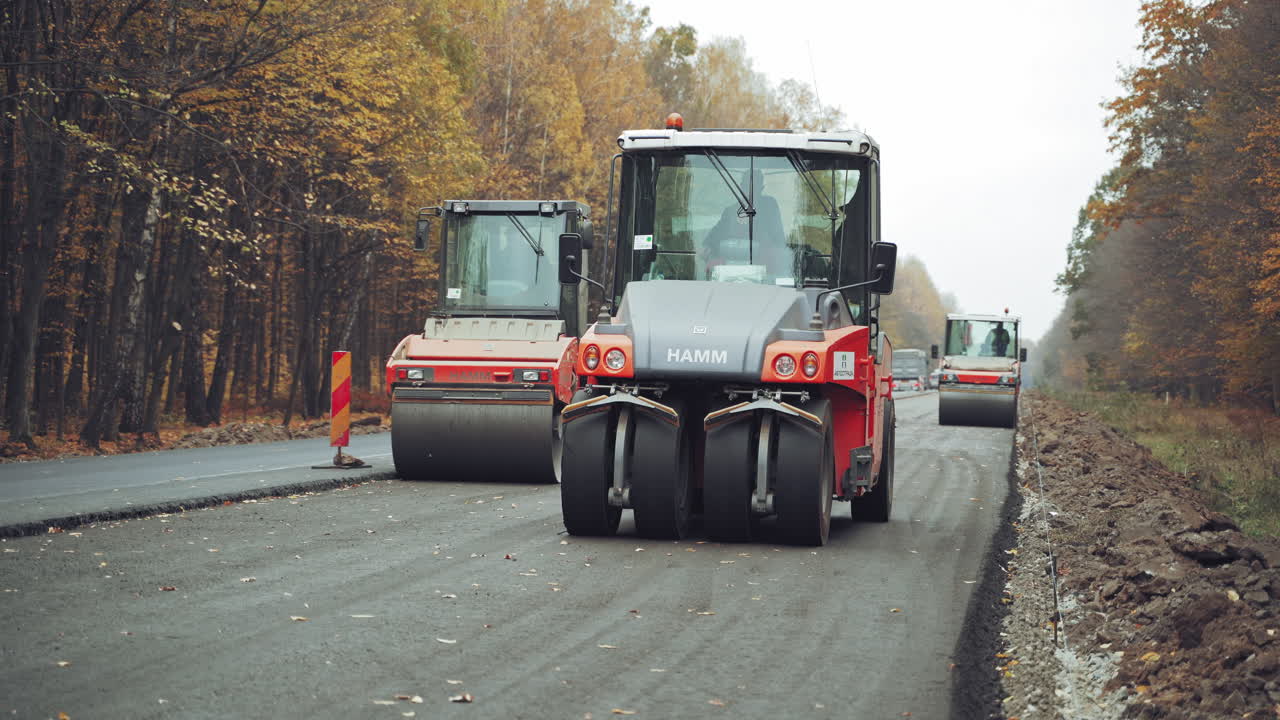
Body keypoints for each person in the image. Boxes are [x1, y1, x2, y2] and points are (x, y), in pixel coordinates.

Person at [701, 169, 787, 279]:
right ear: (741, 187)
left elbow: (779, 242)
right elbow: (710, 243)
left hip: (767, 276)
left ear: (761, 188)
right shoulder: (730, 213)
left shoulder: (770, 206)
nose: (750, 191)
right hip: (729, 277)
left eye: (754, 186)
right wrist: (707, 249)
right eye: (747, 186)